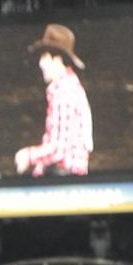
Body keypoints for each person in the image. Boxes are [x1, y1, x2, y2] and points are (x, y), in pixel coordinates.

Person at [13, 24, 94, 178]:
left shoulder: (65, 92)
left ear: (57, 59)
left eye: (44, 58)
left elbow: (58, 149)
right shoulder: (70, 88)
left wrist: (27, 155)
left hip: (64, 178)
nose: (40, 64)